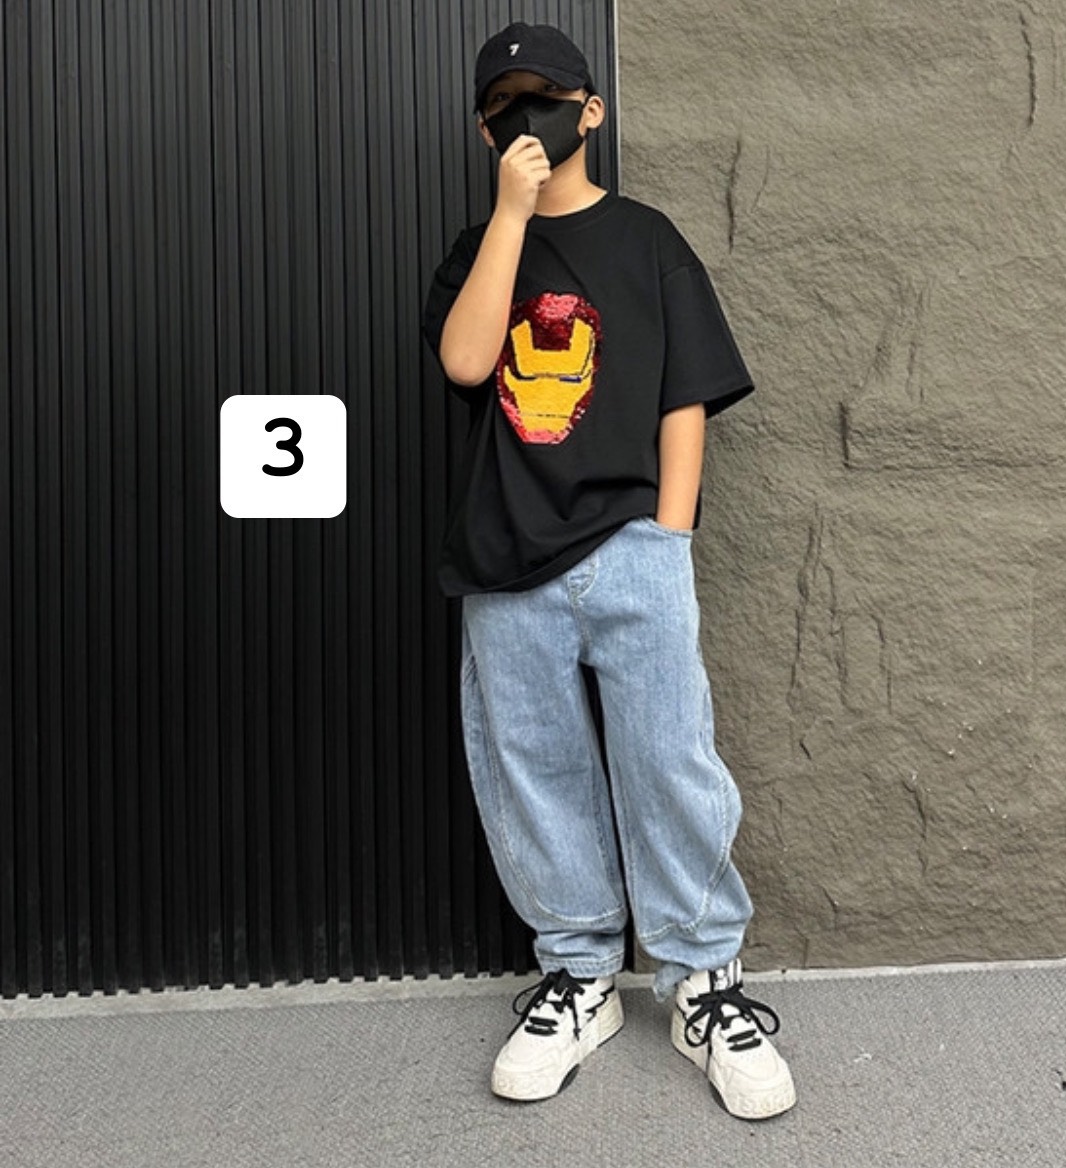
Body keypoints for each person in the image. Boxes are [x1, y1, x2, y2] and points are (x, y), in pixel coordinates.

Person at [421, 21, 796, 1121]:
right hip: (508, 558)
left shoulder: (648, 241)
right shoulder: (477, 248)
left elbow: (687, 397)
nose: (525, 115)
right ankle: (579, 976)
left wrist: (668, 538)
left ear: (591, 110)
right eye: (504, 102)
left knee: (670, 763)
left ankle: (702, 982)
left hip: (635, 546)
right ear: (485, 128)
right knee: (533, 770)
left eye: (546, 95)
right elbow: (465, 360)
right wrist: (510, 215)